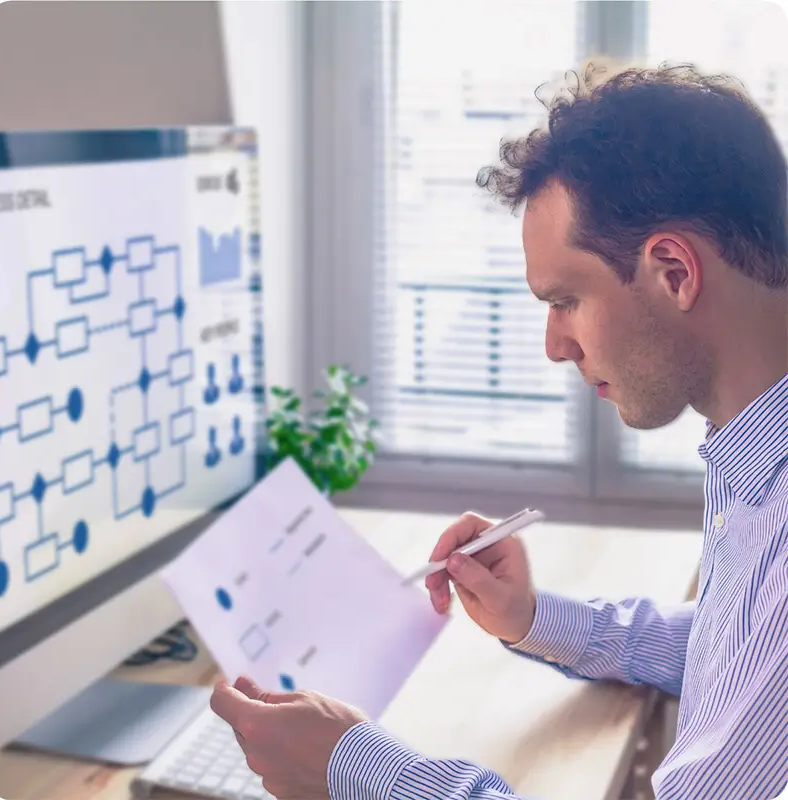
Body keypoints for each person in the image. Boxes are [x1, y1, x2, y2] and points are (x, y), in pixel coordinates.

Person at [209, 63, 788, 799]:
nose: (555, 346)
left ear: (674, 271)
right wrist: (535, 618)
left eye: (568, 300)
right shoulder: (756, 450)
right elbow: (728, 656)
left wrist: (354, 768)